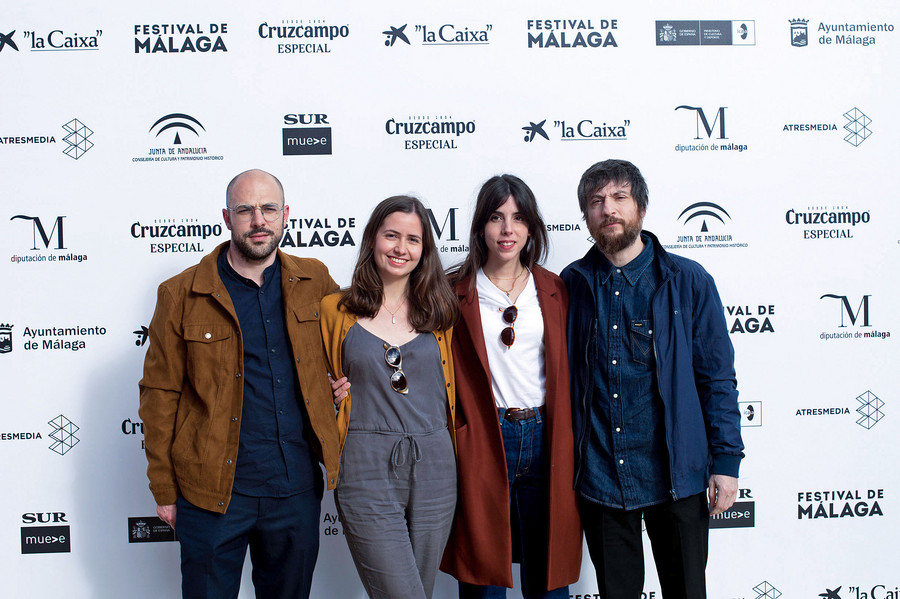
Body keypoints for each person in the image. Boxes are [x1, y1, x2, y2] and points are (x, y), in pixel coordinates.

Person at [138, 169, 340, 598]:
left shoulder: (315, 281)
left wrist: (349, 383)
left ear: (285, 215)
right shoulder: (180, 294)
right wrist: (164, 488)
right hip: (211, 493)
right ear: (226, 218)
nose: (258, 220)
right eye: (245, 210)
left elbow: (352, 345)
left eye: (268, 208)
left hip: (295, 489)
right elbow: (159, 397)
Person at [561, 159, 744, 599]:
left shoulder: (688, 280)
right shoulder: (571, 285)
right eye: (596, 201)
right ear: (586, 216)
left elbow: (717, 378)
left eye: (620, 197)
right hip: (602, 478)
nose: (609, 209)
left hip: (675, 476)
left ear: (641, 208)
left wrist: (726, 462)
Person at [439, 175, 582, 599]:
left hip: (546, 436)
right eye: (497, 218)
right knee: (483, 576)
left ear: (531, 227)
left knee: (549, 575)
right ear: (481, 226)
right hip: (485, 436)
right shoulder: (453, 291)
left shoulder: (555, 288)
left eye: (518, 218)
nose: (507, 229)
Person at [319, 195, 459, 599]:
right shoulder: (334, 309)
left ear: (424, 250)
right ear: (372, 240)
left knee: (421, 590)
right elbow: (315, 383)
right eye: (391, 235)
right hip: (364, 463)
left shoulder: (442, 309)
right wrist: (327, 395)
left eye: (413, 239)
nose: (401, 248)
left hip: (436, 463)